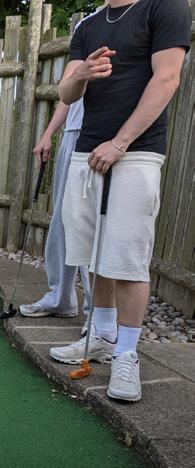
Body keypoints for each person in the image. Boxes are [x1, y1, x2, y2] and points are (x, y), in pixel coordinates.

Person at [50, 0, 191, 402]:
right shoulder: (89, 26)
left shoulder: (165, 7)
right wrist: (81, 75)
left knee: (127, 256)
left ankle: (126, 354)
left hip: (136, 151)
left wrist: (120, 142)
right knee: (93, 252)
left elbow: (167, 79)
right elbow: (66, 92)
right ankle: (103, 335)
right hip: (87, 151)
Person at [19, 98, 92, 323]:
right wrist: (48, 133)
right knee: (62, 218)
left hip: (102, 133)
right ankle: (61, 299)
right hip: (72, 134)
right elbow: (69, 95)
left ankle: (98, 314)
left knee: (89, 224)